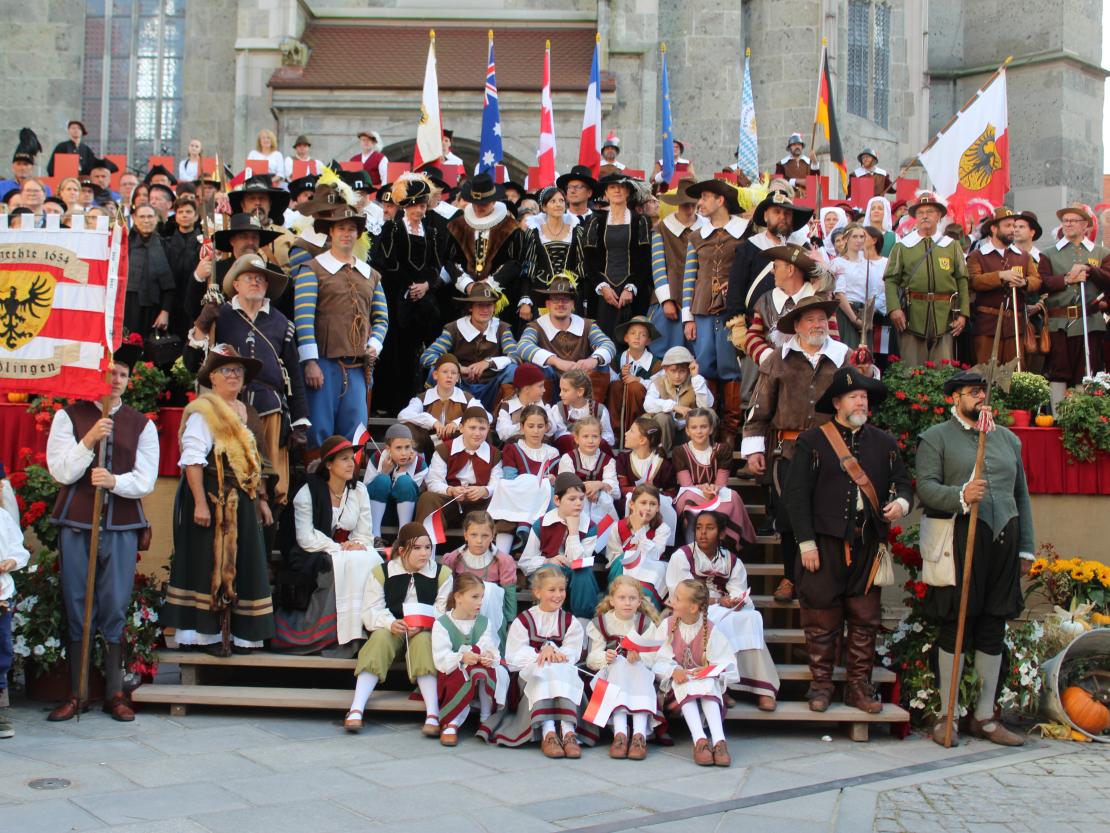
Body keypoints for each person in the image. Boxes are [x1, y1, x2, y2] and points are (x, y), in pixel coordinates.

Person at [783, 367, 912, 713]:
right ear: (837, 402)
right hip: (823, 544)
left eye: (865, 397)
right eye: (855, 397)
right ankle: (821, 687)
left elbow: (904, 483)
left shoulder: (884, 443)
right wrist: (806, 543)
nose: (861, 402)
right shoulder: (812, 441)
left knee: (865, 618)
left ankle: (858, 688)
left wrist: (900, 503)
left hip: (868, 543)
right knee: (820, 619)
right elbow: (796, 496)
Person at [916, 370, 1034, 747]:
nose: (980, 397)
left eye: (983, 391)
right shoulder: (936, 438)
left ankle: (984, 717)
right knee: (956, 625)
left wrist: (1026, 548)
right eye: (972, 392)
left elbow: (1022, 495)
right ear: (955, 399)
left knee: (992, 626)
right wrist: (962, 494)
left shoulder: (1008, 439)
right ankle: (947, 716)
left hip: (1003, 539)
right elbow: (926, 488)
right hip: (960, 538)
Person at [45, 344, 158, 721]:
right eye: (110, 373)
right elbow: (61, 471)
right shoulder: (69, 416)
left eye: (123, 375)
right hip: (78, 523)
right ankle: (77, 694)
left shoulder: (143, 424)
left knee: (114, 603)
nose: (115, 380)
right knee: (77, 601)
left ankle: (115, 692)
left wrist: (114, 481)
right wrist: (90, 439)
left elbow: (145, 479)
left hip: (121, 525)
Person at [163, 346, 274, 656]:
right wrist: (199, 503)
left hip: (244, 499)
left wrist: (262, 499)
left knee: (244, 564)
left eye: (238, 370)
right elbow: (193, 461)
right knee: (208, 565)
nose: (233, 375)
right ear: (212, 377)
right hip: (213, 497)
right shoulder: (204, 410)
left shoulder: (247, 411)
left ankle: (241, 634)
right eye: (226, 370)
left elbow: (257, 459)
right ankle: (207, 635)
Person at [740, 296, 849, 603]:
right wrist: (753, 450)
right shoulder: (778, 358)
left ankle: (823, 578)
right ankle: (791, 575)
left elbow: (860, 399)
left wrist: (867, 370)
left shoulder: (845, 356)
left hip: (834, 451)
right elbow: (760, 407)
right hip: (789, 450)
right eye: (811, 320)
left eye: (822, 319)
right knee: (789, 518)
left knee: (827, 516)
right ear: (797, 327)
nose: (818, 325)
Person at [189, 253, 308, 505]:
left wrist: (299, 421)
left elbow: (294, 374)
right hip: (229, 409)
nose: (255, 282)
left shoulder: (282, 322)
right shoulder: (220, 316)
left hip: (271, 409)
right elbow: (192, 362)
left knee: (275, 485)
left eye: (260, 279)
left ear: (266, 286)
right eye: (248, 278)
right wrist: (203, 322)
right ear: (236, 285)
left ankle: (265, 538)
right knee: (232, 476)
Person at [273, 435, 381, 655]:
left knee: (372, 560)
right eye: (344, 459)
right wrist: (340, 548)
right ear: (329, 464)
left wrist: (355, 545)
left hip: (347, 550)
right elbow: (306, 537)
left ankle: (360, 632)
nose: (351, 463)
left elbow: (364, 533)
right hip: (310, 553)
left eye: (352, 458)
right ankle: (327, 635)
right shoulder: (307, 492)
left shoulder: (359, 491)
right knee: (335, 566)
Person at [294, 204, 389, 451]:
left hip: (358, 366)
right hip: (323, 364)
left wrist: (374, 345)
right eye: (341, 228)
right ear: (331, 233)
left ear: (358, 234)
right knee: (319, 430)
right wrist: (310, 362)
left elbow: (381, 319)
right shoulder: (312, 269)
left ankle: (351, 485)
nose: (346, 233)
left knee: (356, 432)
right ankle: (318, 486)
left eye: (351, 229)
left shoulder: (371, 274)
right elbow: (303, 318)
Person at [666, 510, 781, 711]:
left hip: (721, 607)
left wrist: (734, 601)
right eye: (699, 528)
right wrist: (718, 601)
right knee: (718, 622)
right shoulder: (682, 556)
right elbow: (679, 592)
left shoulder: (731, 560)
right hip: (690, 608)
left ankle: (762, 688)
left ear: (721, 533)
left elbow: (739, 590)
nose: (702, 533)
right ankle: (720, 686)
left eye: (709, 528)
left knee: (750, 618)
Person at [345, 523, 452, 734]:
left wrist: (423, 625)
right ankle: (356, 707)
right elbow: (371, 609)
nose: (425, 553)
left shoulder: (442, 574)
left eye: (428, 547)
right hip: (393, 628)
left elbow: (443, 612)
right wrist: (390, 623)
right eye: (418, 548)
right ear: (402, 550)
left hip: (425, 631)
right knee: (379, 640)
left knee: (423, 642)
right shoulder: (382, 572)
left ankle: (432, 712)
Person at [373, 173, 455, 412]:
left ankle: (426, 400)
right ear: (406, 206)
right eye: (416, 205)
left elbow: (435, 264)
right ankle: (394, 403)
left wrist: (426, 285)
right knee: (398, 350)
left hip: (426, 299)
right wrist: (410, 286)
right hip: (398, 296)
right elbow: (387, 262)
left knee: (426, 346)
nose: (420, 210)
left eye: (422, 205)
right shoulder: (391, 229)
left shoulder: (432, 232)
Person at [487, 566, 586, 754]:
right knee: (544, 669)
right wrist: (541, 655)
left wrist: (556, 651)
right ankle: (548, 732)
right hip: (531, 676)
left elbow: (572, 653)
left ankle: (568, 731)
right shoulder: (524, 620)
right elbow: (513, 657)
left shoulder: (570, 622)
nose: (558, 595)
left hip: (561, 674)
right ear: (537, 592)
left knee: (557, 669)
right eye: (552, 590)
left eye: (561, 590)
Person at [681, 179, 749, 436]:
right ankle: (706, 428)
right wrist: (687, 316)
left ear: (720, 200)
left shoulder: (745, 232)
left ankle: (730, 431)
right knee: (705, 365)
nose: (700, 203)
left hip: (733, 312)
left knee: (731, 367)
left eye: (706, 197)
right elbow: (690, 276)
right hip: (702, 311)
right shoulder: (696, 236)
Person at [650, 578, 737, 766]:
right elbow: (657, 659)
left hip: (704, 685)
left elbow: (727, 663)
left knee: (708, 682)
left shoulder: (711, 630)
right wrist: (673, 670)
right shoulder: (667, 626)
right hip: (675, 690)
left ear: (693, 608)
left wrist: (709, 670)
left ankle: (719, 740)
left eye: (678, 598)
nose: (672, 600)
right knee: (685, 683)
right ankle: (699, 740)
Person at [883, 192, 970, 365]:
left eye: (930, 211)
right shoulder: (902, 246)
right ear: (914, 217)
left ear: (939, 216)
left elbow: (962, 280)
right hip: (911, 316)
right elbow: (891, 280)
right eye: (920, 212)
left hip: (945, 316)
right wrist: (894, 309)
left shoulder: (951, 246)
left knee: (943, 371)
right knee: (911, 370)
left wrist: (963, 313)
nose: (925, 216)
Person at [1038, 203, 1110, 407]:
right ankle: (1059, 415)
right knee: (1058, 369)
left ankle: (1080, 414)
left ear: (1085, 225)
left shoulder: (1101, 252)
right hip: (1059, 321)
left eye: (1073, 220)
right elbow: (1041, 283)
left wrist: (1090, 270)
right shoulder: (1049, 253)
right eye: (1065, 220)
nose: (1067, 224)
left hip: (1090, 321)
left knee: (1086, 371)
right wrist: (1066, 279)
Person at [584, 574, 661, 759]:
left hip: (638, 673)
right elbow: (591, 658)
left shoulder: (645, 624)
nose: (627, 603)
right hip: (609, 674)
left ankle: (639, 735)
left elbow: (655, 656)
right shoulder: (601, 623)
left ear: (639, 601)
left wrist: (640, 656)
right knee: (619, 666)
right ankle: (620, 734)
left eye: (632, 598)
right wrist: (605, 656)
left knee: (635, 669)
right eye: (622, 598)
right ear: (612, 600)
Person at [432, 573, 508, 746]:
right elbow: (441, 658)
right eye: (474, 597)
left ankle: (486, 718)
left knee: (483, 670)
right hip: (453, 672)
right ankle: (452, 721)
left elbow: (487, 644)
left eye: (482, 597)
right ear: (458, 597)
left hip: (478, 669)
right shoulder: (442, 623)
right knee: (468, 672)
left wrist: (488, 655)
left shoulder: (483, 623)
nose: (480, 602)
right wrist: (462, 657)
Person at [420, 282, 520, 411]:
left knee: (512, 369)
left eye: (489, 305)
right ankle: (441, 416)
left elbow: (516, 356)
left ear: (494, 307)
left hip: (492, 389)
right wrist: (458, 368)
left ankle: (502, 416)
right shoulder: (454, 329)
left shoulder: (502, 328)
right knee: (437, 370)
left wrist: (488, 363)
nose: (485, 310)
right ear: (470, 307)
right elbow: (427, 356)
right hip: (459, 388)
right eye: (480, 305)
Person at [517, 274, 616, 399]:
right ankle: (544, 414)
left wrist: (592, 360)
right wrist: (556, 361)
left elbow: (608, 345)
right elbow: (523, 346)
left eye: (565, 299)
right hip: (550, 386)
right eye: (555, 299)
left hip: (581, 387)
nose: (560, 303)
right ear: (547, 304)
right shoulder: (536, 326)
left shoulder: (587, 325)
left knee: (602, 363)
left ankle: (590, 412)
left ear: (573, 304)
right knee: (537, 367)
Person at [579, 173, 653, 337]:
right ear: (605, 193)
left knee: (634, 337)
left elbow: (644, 259)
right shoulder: (595, 221)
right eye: (612, 187)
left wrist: (631, 288)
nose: (617, 191)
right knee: (602, 337)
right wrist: (602, 286)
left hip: (634, 292)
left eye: (621, 187)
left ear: (628, 191)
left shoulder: (640, 221)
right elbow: (590, 260)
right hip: (602, 293)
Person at [445, 173, 528, 320]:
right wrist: (467, 284)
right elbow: (450, 260)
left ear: (494, 201)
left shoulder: (510, 227)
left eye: (484, 203)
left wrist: (490, 283)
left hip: (499, 298)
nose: (479, 207)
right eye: (475, 203)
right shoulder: (457, 226)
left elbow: (516, 262)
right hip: (464, 298)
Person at [966, 208, 1042, 365]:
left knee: (1015, 376)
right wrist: (1000, 276)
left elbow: (1037, 280)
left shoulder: (1023, 256)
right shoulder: (977, 256)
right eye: (1008, 225)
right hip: (987, 325)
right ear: (994, 228)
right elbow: (973, 281)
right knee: (985, 374)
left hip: (1015, 326)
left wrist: (1024, 282)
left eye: (1014, 226)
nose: (1012, 230)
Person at [415, 406, 503, 527]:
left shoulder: (494, 454)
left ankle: (489, 543)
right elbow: (433, 481)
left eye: (482, 428)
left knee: (499, 500)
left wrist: (484, 490)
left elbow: (497, 483)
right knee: (428, 498)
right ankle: (427, 543)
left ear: (488, 429)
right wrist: (451, 490)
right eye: (472, 428)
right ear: (461, 428)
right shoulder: (444, 449)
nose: (477, 433)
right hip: (450, 502)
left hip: (479, 504)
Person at [489, 403, 559, 555]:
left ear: (547, 427)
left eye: (540, 426)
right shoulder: (513, 449)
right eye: (531, 426)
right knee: (507, 511)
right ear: (522, 427)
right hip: (517, 497)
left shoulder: (553, 453)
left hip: (543, 502)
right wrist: (534, 483)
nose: (535, 431)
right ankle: (502, 556)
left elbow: (557, 483)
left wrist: (554, 480)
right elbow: (510, 479)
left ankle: (542, 551)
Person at [441, 511, 518, 649]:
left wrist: (511, 621)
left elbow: (509, 595)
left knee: (490, 589)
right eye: (473, 535)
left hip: (492, 612)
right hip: (461, 611)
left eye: (485, 535)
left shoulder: (503, 561)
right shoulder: (453, 559)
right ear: (465, 535)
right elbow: (445, 592)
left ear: (493, 535)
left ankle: (493, 650)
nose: (479, 541)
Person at [651, 179, 705, 352]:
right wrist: (666, 300)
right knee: (665, 348)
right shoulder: (662, 228)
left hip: (699, 299)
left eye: (692, 205)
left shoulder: (707, 228)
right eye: (684, 205)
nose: (689, 209)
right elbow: (658, 265)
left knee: (699, 351)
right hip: (670, 297)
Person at [398, 353, 482, 456]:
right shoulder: (423, 398)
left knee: (479, 428)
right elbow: (403, 415)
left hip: (458, 446)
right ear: (435, 375)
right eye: (445, 372)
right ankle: (417, 465)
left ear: (458, 378)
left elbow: (486, 416)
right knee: (408, 427)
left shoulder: (466, 398)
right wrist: (432, 422)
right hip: (430, 445)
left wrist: (457, 423)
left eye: (453, 373)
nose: (449, 376)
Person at [606, 483, 671, 607]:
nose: (648, 508)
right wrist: (630, 556)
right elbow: (612, 558)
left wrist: (639, 530)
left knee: (645, 591)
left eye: (652, 504)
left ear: (658, 508)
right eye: (643, 503)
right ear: (632, 504)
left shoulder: (662, 529)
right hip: (622, 573)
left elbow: (654, 555)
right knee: (625, 557)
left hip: (649, 572)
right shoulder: (618, 527)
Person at [363, 424, 427, 548]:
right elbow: (365, 490)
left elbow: (414, 492)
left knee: (405, 482)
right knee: (382, 480)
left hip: (406, 514)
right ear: (388, 449)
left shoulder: (419, 463)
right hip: (379, 511)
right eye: (398, 448)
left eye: (407, 447)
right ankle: (375, 535)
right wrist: (384, 472)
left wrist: (402, 471)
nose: (404, 453)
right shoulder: (377, 458)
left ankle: (403, 536)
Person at [521, 185, 581, 310]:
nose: (558, 204)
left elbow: (581, 265)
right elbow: (529, 266)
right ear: (544, 207)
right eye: (553, 201)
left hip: (571, 292)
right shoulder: (534, 232)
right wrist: (525, 298)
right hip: (541, 291)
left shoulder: (576, 230)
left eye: (561, 201)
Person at [644, 345, 714, 452]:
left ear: (689, 370)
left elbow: (706, 405)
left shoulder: (696, 381)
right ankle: (662, 456)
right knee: (663, 417)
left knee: (710, 414)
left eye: (682, 371)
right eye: (673, 371)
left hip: (689, 433)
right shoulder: (658, 382)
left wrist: (695, 377)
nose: (677, 376)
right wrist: (674, 407)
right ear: (665, 370)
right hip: (665, 433)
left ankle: (704, 453)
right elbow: (648, 404)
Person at [556, 417, 618, 532]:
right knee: (579, 499)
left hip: (600, 504)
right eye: (585, 436)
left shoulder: (608, 461)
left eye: (595, 436)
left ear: (600, 438)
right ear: (576, 439)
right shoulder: (568, 458)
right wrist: (587, 489)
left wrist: (599, 485)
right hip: (574, 506)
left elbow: (615, 491)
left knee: (604, 497)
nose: (590, 441)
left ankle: (603, 538)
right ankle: (577, 534)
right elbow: (564, 486)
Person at [833, 224, 889, 350]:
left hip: (864, 313)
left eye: (862, 237)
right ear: (846, 238)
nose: (859, 240)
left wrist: (867, 319)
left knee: (864, 356)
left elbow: (872, 293)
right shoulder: (838, 263)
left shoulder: (868, 263)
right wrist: (854, 319)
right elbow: (839, 294)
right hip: (846, 312)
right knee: (849, 351)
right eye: (855, 237)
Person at [124, 204, 176, 340]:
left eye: (150, 216)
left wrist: (165, 312)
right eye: (142, 216)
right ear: (134, 218)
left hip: (156, 307)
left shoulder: (166, 246)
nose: (146, 220)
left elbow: (171, 284)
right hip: (129, 306)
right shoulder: (125, 245)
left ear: (157, 219)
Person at [0, 496, 29, 737]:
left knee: (2, 649)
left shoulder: (3, 518)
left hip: (1, 594)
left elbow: (18, 550)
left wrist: (11, 561)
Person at [607, 315, 662, 437]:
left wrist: (638, 380)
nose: (637, 337)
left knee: (635, 387)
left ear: (648, 340)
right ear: (626, 337)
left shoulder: (656, 364)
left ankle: (635, 433)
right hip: (619, 408)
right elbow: (609, 382)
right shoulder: (617, 359)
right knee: (616, 386)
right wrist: (622, 375)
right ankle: (616, 434)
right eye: (633, 333)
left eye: (642, 335)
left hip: (642, 412)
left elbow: (659, 389)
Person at [550, 369, 616, 454]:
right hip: (569, 454)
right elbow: (559, 437)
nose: (560, 394)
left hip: (594, 452)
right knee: (567, 439)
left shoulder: (599, 410)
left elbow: (609, 437)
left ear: (580, 392)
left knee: (602, 442)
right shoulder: (558, 409)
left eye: (565, 390)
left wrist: (591, 440)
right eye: (560, 389)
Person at [495, 362, 547, 443]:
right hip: (517, 451)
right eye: (540, 386)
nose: (544, 390)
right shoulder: (507, 406)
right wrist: (524, 425)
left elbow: (552, 429)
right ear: (526, 389)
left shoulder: (540, 404)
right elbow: (502, 433)